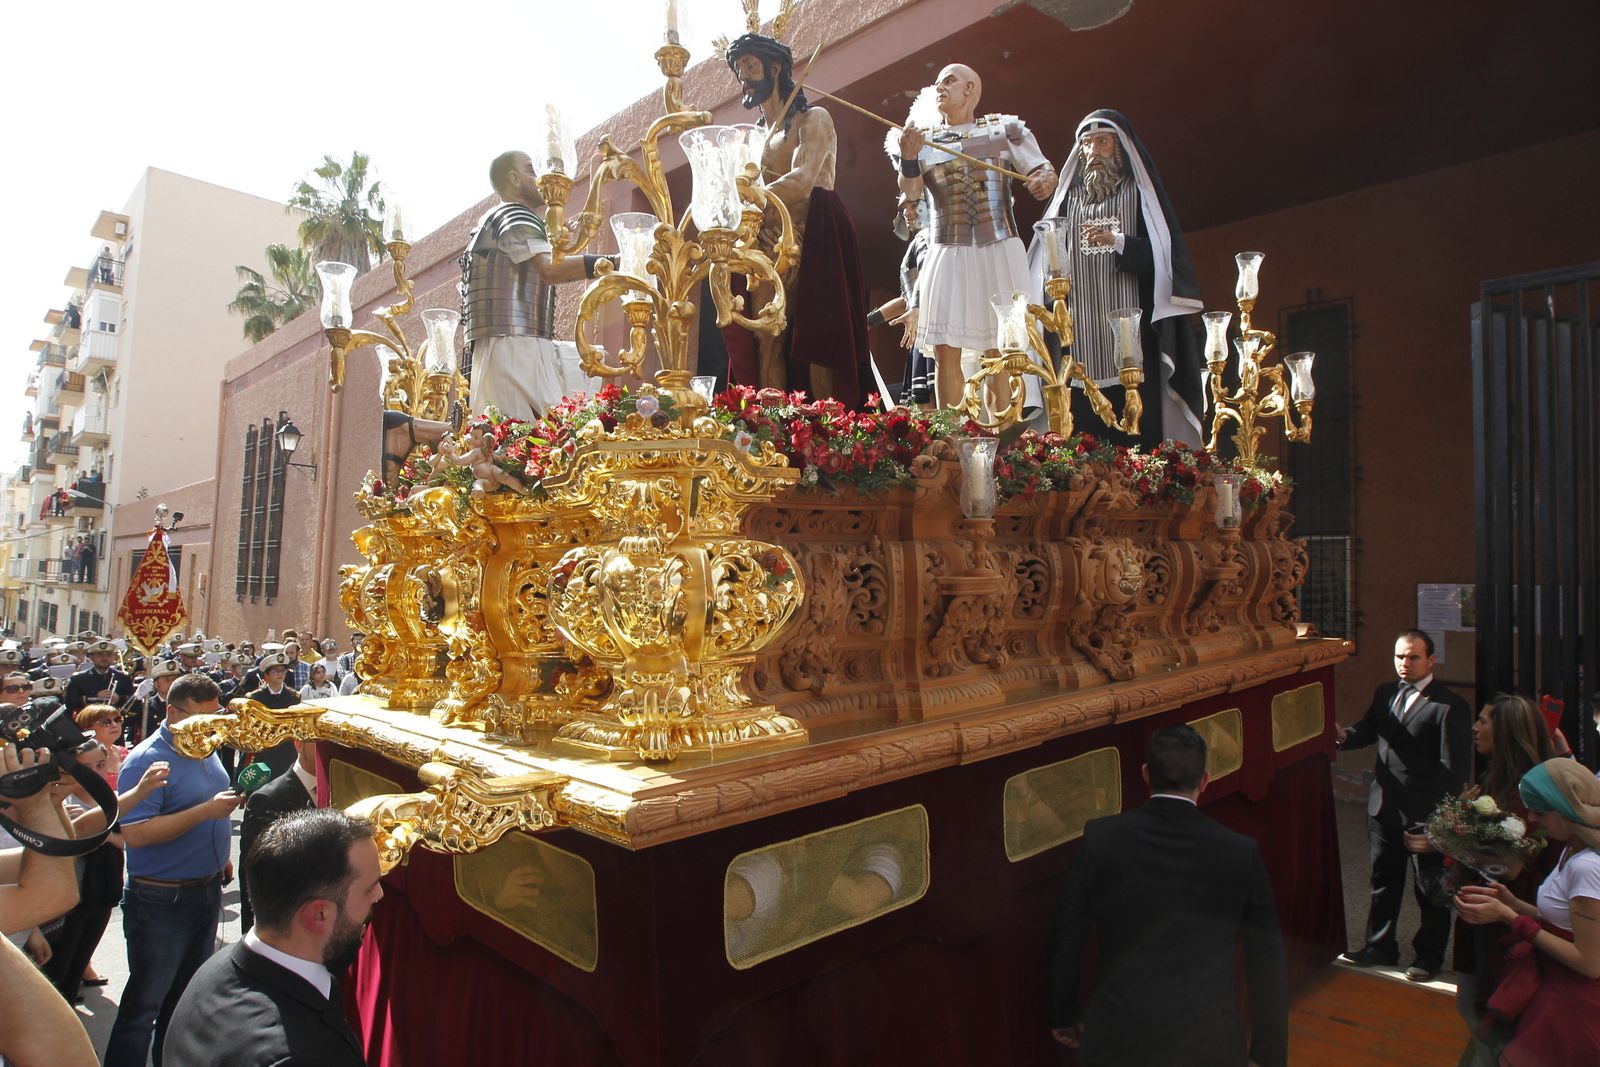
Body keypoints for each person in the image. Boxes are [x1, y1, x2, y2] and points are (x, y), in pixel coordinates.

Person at [1048, 725, 1288, 1067]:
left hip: (1116, 1036)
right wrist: (1269, 1055)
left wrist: (1063, 1015)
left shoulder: (1101, 839)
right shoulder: (1239, 853)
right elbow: (1267, 959)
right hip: (1208, 1043)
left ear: (1146, 775)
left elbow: (1067, 935)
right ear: (1205, 780)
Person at [1029, 110, 1206, 447]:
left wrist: (1118, 241)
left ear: (1120, 149)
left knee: (1137, 431)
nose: (1093, 150)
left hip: (1134, 339)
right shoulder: (1066, 202)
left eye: (1102, 142)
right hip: (1078, 339)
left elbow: (1164, 261)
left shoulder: (1140, 196)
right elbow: (1046, 262)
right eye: (1086, 143)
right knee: (1080, 434)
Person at [719, 26, 872, 407]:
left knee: (817, 337)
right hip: (765, 242)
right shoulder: (755, 135)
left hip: (813, 233)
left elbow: (803, 180)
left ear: (774, 70)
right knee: (765, 336)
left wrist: (750, 194)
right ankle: (775, 427)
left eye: (750, 66)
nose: (743, 77)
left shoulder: (812, 119)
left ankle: (826, 427)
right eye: (738, 69)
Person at [1403, 693, 1557, 1064]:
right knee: (1471, 1005)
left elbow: (1512, 864)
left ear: (1506, 732)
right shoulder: (1494, 781)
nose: (1474, 727)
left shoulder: (1531, 791)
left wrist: (1443, 840)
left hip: (1509, 919)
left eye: (1484, 721)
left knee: (1492, 1012)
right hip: (1480, 917)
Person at [893, 64, 1058, 409]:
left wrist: (1045, 179)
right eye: (937, 83)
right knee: (943, 348)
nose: (940, 87)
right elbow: (910, 194)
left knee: (998, 350)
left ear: (970, 89)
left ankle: (997, 441)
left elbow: (1040, 168)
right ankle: (953, 440)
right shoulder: (922, 140)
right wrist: (909, 158)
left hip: (998, 244)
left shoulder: (1005, 129)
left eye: (948, 81)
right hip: (946, 247)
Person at [102, 674, 245, 1067]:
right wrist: (206, 813)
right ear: (172, 711)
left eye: (214, 718)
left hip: (204, 890)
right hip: (161, 900)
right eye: (201, 719)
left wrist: (221, 855)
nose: (209, 728)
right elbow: (139, 835)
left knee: (184, 1004)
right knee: (142, 1008)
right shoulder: (147, 760)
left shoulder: (204, 746)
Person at [164, 809, 380, 1067]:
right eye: (369, 888)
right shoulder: (297, 1057)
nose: (379, 895)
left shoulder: (213, 969)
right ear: (319, 914)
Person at [1337, 629, 1474, 981]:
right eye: (1400, 656)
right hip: (1383, 808)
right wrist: (1343, 737)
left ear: (1431, 660)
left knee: (1430, 888)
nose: (1404, 663)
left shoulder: (1449, 706)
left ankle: (1428, 956)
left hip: (1423, 816)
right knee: (1384, 879)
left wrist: (1436, 824)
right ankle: (1379, 946)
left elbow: (1452, 771)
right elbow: (1368, 730)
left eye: (1413, 657)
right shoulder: (1386, 693)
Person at [1455, 758, 1600, 1066]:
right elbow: (1566, 922)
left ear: (1567, 811)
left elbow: (1589, 963)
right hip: (1553, 997)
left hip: (1567, 1009)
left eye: (1540, 811)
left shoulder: (1587, 867)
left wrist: (1512, 919)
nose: (1532, 818)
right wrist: (1517, 905)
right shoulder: (1573, 849)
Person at [459, 150, 600, 422]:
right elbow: (550, 270)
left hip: (517, 344)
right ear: (513, 178)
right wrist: (610, 263)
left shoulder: (496, 220)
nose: (540, 178)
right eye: (531, 170)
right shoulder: (514, 215)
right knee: (536, 432)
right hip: (514, 345)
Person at [239, 740, 319, 935]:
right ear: (299, 743)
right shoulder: (268, 800)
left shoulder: (345, 787)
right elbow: (254, 879)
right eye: (320, 742)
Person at [866, 192, 932, 406]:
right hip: (926, 334)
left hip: (932, 334)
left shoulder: (926, 238)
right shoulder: (926, 240)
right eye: (904, 207)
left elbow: (924, 283)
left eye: (913, 205)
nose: (906, 212)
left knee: (933, 412)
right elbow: (908, 299)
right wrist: (868, 322)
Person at [246, 652, 301, 779]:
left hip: (287, 748)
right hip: (264, 747)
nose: (280, 674)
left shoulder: (294, 696)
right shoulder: (255, 698)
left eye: (283, 671)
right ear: (266, 675)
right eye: (276, 671)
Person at [62, 638, 133, 713]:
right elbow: (69, 703)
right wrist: (95, 697)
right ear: (92, 657)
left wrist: (119, 698)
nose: (104, 658)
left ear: (113, 657)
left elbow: (134, 701)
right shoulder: (78, 679)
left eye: (108, 655)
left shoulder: (123, 677)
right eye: (100, 655)